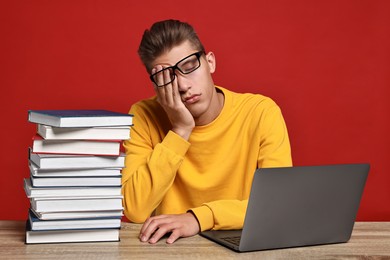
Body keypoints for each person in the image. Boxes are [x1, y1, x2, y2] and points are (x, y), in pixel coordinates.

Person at [121, 19, 292, 244]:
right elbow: (135, 209)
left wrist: (198, 218)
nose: (182, 86)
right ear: (156, 86)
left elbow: (278, 204)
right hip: (168, 250)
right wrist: (180, 130)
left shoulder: (260, 113)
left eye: (190, 66)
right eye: (167, 77)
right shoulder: (143, 116)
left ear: (210, 62)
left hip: (245, 245)